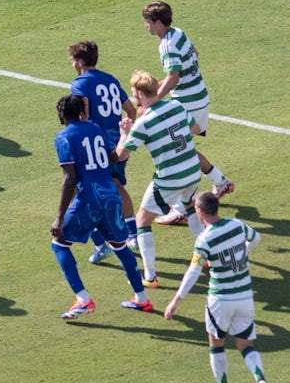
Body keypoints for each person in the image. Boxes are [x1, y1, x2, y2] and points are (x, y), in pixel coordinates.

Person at [51, 95, 153, 320]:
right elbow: (113, 157)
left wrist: (59, 216)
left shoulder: (64, 138)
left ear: (62, 114)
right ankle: (142, 298)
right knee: (120, 245)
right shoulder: (96, 129)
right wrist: (124, 136)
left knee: (58, 244)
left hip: (89, 199)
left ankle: (83, 299)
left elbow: (70, 178)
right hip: (110, 195)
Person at [143, 1, 234, 225]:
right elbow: (193, 54)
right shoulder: (178, 33)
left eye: (147, 22)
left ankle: (181, 208)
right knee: (185, 148)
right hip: (198, 97)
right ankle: (220, 182)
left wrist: (154, 100)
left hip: (188, 103)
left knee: (177, 153)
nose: (146, 26)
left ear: (157, 22)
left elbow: (174, 76)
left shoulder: (167, 45)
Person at [164, 191, 267, 383]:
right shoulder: (237, 225)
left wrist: (175, 301)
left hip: (220, 300)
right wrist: (244, 252)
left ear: (200, 211)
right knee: (245, 344)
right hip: (244, 297)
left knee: (216, 345)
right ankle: (260, 379)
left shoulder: (204, 239)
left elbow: (193, 273)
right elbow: (256, 238)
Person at [114, 70, 203, 289]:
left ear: (141, 94)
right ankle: (206, 256)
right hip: (192, 170)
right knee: (190, 207)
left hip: (169, 178)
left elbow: (120, 156)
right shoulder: (177, 107)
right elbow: (196, 129)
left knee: (142, 221)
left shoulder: (144, 123)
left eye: (134, 93)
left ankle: (150, 276)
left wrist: (125, 135)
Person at [69, 39, 139, 262]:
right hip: (117, 142)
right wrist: (125, 133)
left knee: (84, 191)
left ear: (79, 61)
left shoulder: (80, 84)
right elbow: (131, 110)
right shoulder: (109, 79)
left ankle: (101, 244)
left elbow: (85, 116)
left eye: (72, 60)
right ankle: (134, 235)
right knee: (117, 187)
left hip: (95, 146)